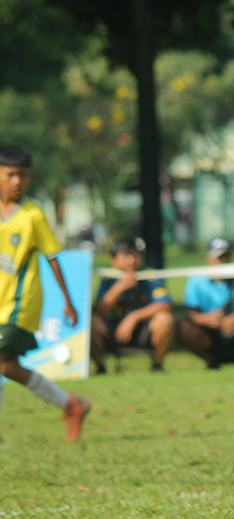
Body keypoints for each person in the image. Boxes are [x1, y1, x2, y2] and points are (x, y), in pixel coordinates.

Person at [0, 145, 90, 442]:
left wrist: (68, 301)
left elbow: (52, 257)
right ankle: (71, 404)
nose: (17, 181)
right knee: (8, 367)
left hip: (19, 304)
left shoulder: (33, 215)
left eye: (23, 175)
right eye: (11, 174)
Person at [91, 238, 175, 373]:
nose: (132, 260)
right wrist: (118, 288)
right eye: (126, 256)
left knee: (165, 319)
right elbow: (99, 311)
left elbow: (164, 304)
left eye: (135, 255)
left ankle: (157, 366)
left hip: (144, 330)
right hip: (114, 329)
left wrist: (134, 317)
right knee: (92, 322)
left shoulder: (150, 275)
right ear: (114, 260)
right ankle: (100, 367)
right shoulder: (108, 278)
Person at [179, 239, 234, 369]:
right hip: (209, 331)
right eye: (218, 258)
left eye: (226, 257)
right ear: (208, 259)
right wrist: (205, 319)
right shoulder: (196, 280)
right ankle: (211, 361)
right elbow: (190, 312)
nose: (222, 262)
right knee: (187, 329)